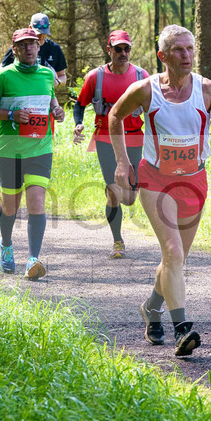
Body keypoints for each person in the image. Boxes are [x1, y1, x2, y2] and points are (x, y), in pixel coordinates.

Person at [109, 25, 211, 354]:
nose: (187, 56)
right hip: (155, 179)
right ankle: (183, 329)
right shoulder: (145, 90)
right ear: (162, 56)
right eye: (179, 50)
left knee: (175, 260)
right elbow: (115, 116)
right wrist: (123, 163)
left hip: (194, 180)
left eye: (191, 49)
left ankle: (151, 309)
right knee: (173, 253)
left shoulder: (207, 89)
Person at [0, 27, 66, 280]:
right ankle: (6, 245)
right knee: (10, 207)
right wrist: (10, 115)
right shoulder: (3, 77)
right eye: (23, 45)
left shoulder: (47, 75)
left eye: (33, 44)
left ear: (39, 46)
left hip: (40, 148)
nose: (29, 48)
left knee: (37, 202)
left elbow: (50, 101)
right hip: (10, 150)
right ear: (14, 48)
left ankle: (33, 259)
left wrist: (57, 112)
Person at [73, 30, 149, 259]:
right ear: (109, 50)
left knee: (130, 197)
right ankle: (118, 241)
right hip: (105, 138)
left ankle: (125, 199)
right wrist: (78, 124)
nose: (123, 53)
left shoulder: (141, 76)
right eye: (118, 49)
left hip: (135, 137)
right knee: (113, 192)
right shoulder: (95, 77)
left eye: (127, 49)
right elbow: (80, 104)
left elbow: (153, 107)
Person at [0, 13, 67, 86]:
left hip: (45, 94)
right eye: (38, 33)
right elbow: (1, 71)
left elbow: (62, 76)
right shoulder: (19, 48)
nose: (41, 36)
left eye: (44, 33)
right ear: (30, 28)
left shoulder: (54, 48)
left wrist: (57, 82)